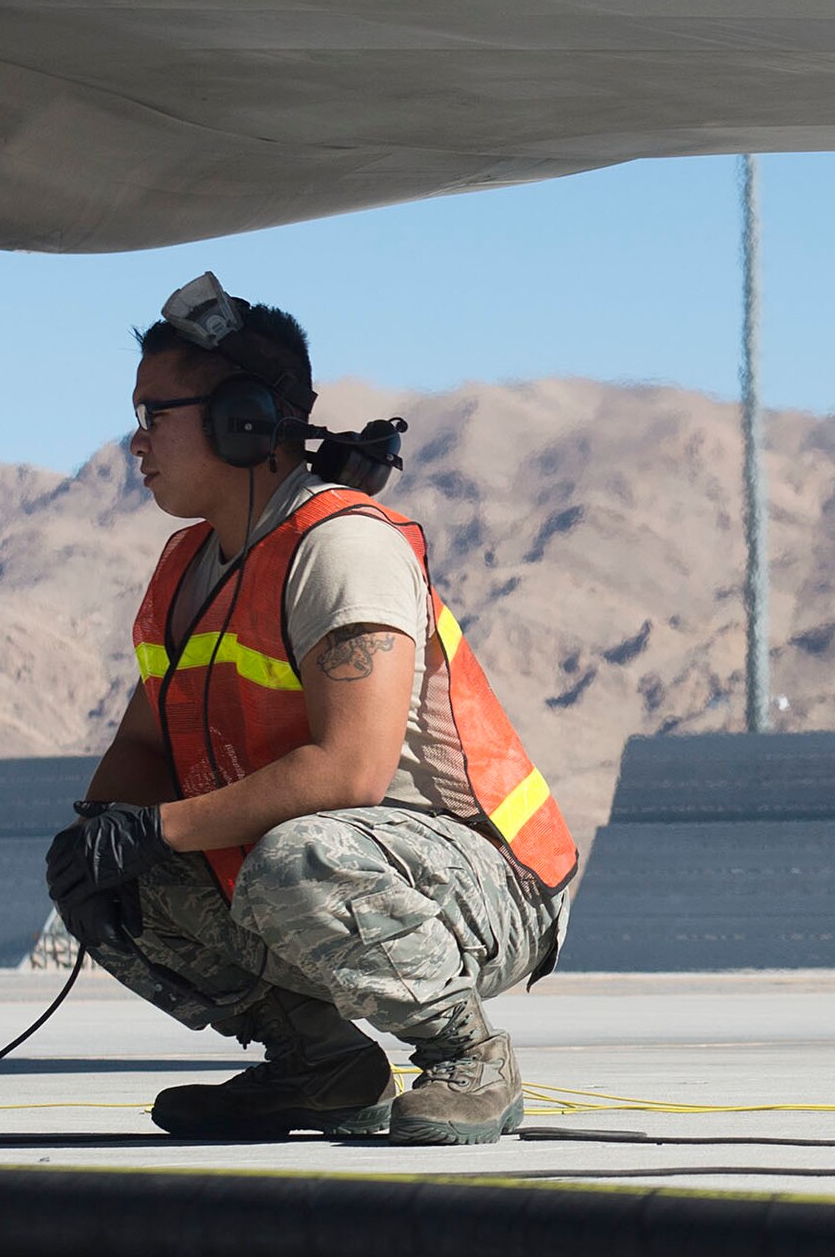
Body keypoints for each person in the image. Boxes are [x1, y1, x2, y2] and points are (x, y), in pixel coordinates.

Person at [44, 273, 577, 1146]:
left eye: (155, 415)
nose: (135, 443)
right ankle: (319, 1065)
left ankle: (467, 1054)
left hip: (481, 881)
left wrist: (155, 829)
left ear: (242, 422)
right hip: (333, 859)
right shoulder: (187, 571)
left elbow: (348, 771)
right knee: (117, 862)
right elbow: (146, 740)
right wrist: (102, 840)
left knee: (297, 857)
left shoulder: (341, 547)